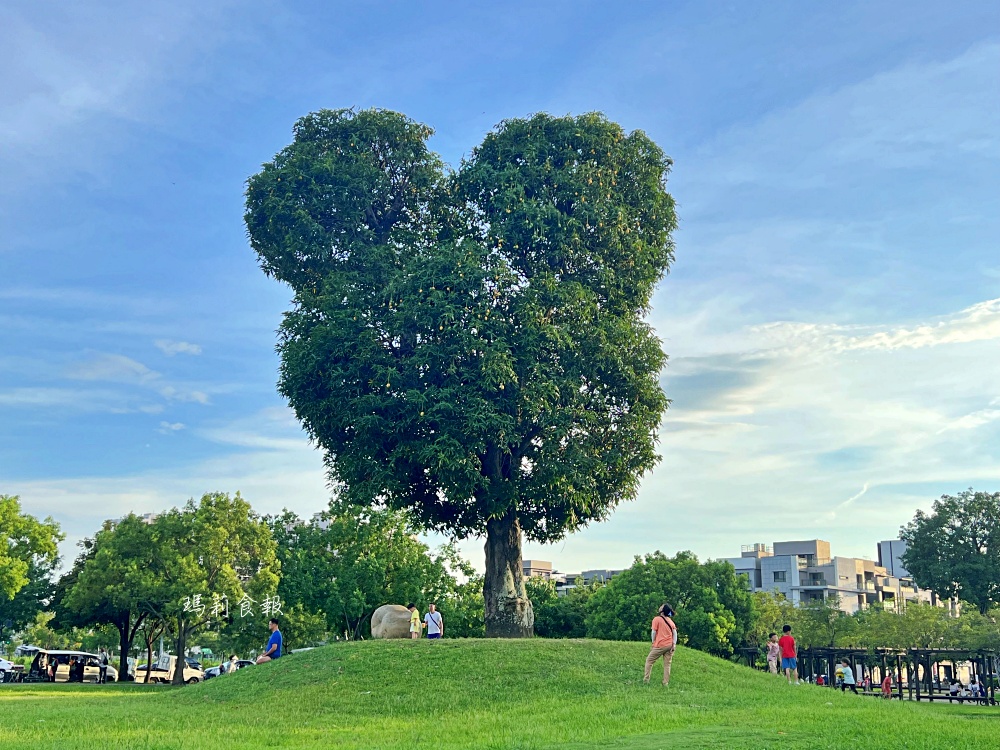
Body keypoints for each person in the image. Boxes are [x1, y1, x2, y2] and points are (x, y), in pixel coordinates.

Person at [643, 603, 678, 686]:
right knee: (667, 664)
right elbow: (675, 633)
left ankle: (646, 680)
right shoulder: (670, 620)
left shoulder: (656, 619)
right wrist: (674, 644)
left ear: (662, 610)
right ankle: (665, 683)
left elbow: (654, 632)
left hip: (660, 645)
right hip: (669, 645)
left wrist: (653, 642)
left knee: (649, 661)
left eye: (662, 606)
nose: (660, 606)